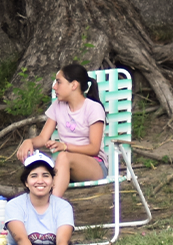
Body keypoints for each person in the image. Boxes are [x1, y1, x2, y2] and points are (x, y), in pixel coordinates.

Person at [15, 65, 107, 199]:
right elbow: (42, 138)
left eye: (58, 82)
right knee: (38, 161)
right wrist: (29, 141)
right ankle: (33, 202)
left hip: (94, 166)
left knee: (63, 156)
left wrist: (65, 146)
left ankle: (51, 205)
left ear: (73, 85)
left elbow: (94, 148)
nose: (54, 87)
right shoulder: (57, 106)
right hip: (64, 165)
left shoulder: (93, 108)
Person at [6, 152, 79, 245]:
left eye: (46, 175)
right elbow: (21, 239)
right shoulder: (14, 205)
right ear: (26, 182)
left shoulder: (63, 207)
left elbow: (63, 241)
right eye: (34, 176)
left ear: (52, 181)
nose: (40, 180)